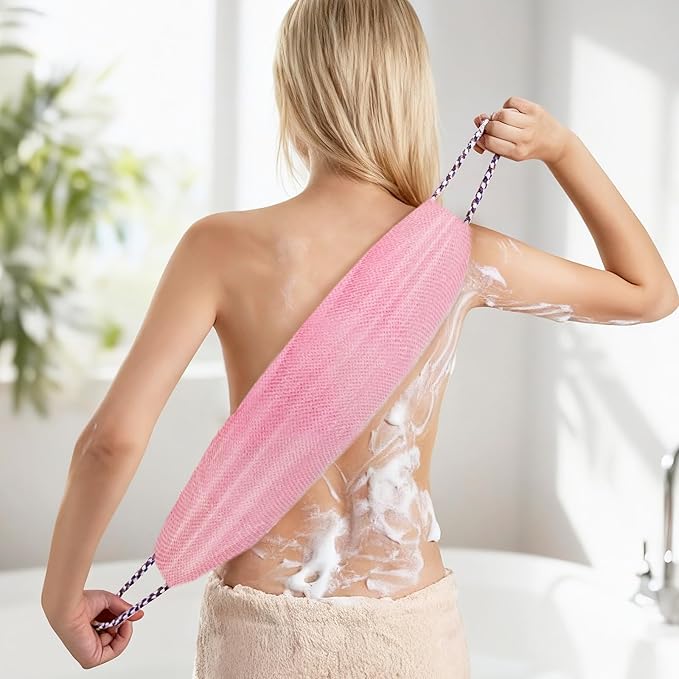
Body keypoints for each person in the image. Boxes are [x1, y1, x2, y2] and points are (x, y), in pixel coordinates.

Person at [41, 0, 678, 676]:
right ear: (409, 96)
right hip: (410, 630)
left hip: (263, 631)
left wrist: (61, 597)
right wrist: (562, 150)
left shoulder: (218, 248)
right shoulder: (461, 253)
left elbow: (111, 440)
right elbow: (650, 293)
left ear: (291, 94)